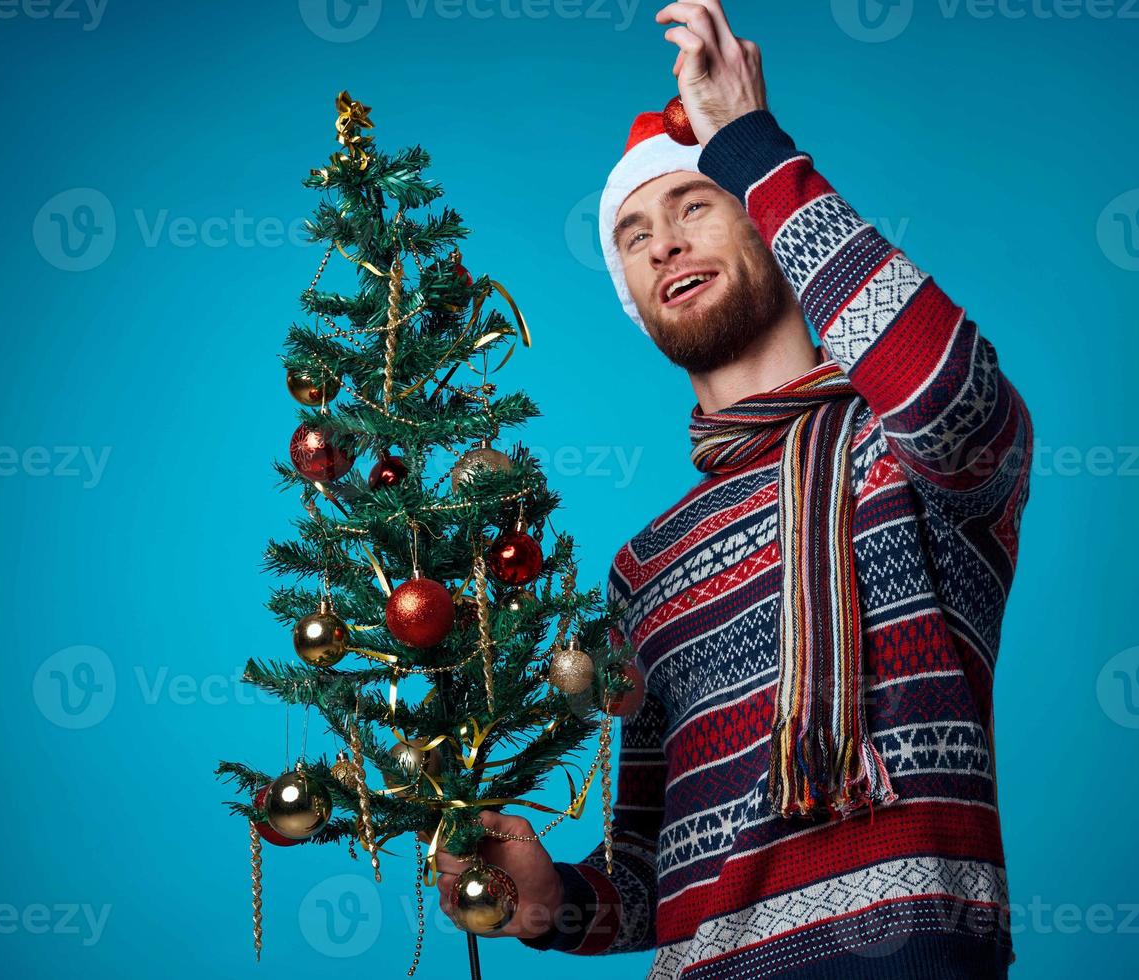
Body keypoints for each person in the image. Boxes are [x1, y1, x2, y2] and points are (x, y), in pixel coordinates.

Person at [431, 2, 1033, 976]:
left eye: (692, 205)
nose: (662, 242)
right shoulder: (646, 565)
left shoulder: (913, 451)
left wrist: (748, 145)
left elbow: (946, 384)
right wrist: (554, 902)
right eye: (633, 233)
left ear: (765, 223)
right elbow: (651, 869)